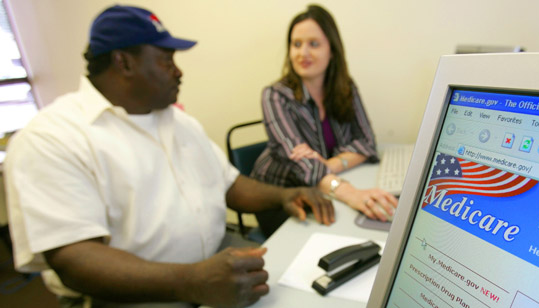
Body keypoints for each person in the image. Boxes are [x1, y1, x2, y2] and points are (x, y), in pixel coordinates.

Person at [4, 5, 334, 308]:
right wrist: (191, 281)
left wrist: (286, 194)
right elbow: (74, 260)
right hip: (134, 295)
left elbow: (229, 185)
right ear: (124, 62)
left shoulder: (179, 122)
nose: (178, 72)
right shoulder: (52, 138)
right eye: (166, 60)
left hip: (213, 268)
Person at [250, 4, 398, 237]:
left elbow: (367, 143)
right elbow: (303, 165)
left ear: (332, 49)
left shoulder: (345, 87)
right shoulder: (275, 95)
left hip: (323, 185)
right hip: (280, 197)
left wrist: (330, 165)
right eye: (296, 44)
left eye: (314, 44)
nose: (303, 53)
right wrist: (351, 193)